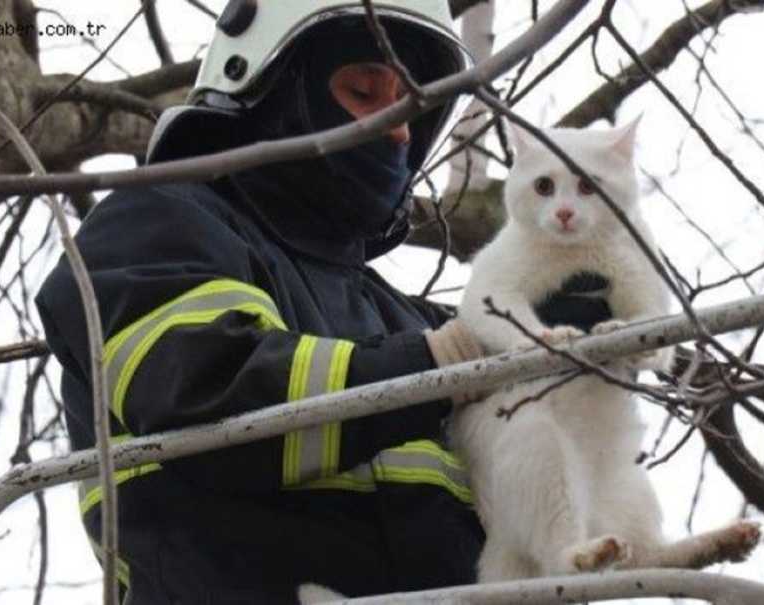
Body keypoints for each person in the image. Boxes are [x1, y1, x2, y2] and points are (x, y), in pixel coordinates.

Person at [36, 2, 489, 603]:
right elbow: (214, 399)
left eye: (413, 105)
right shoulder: (150, 230)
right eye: (364, 90)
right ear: (272, 91)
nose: (400, 130)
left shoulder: (411, 320)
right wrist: (439, 364)